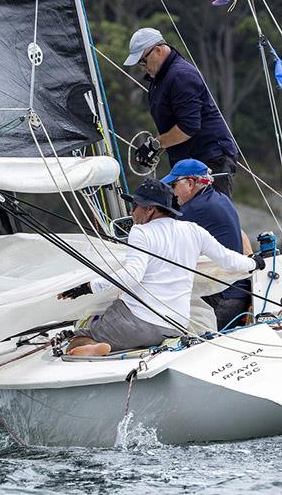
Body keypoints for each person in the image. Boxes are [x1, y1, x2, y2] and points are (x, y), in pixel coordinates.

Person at [57, 178, 262, 357]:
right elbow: (228, 259)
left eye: (135, 205)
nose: (131, 211)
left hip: (136, 323)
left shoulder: (141, 232)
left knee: (79, 335)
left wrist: (86, 287)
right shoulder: (193, 230)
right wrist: (255, 263)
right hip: (176, 326)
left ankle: (93, 346)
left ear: (150, 209)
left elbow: (132, 275)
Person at [124, 28, 239, 197]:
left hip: (210, 159)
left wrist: (155, 144)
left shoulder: (181, 76)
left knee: (208, 216)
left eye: (143, 61)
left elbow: (188, 127)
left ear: (158, 50)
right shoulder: (160, 79)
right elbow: (171, 123)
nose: (143, 68)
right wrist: (155, 149)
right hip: (189, 162)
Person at [161, 159, 252, 330]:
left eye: (174, 184)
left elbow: (165, 247)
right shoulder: (219, 198)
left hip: (222, 299)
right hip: (238, 292)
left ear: (189, 183)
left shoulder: (194, 210)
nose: (173, 192)